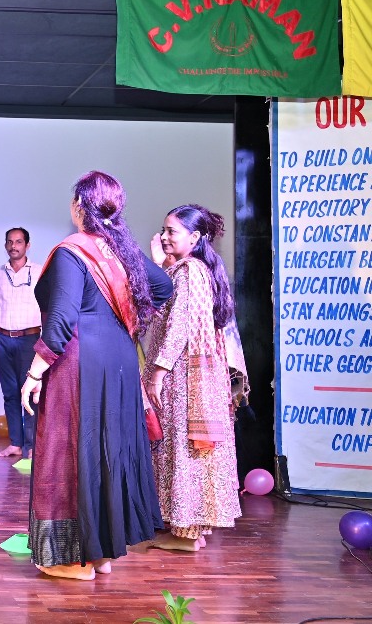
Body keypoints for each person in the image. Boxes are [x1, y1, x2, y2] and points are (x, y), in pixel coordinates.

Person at [19, 171, 174, 580]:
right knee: (108, 450)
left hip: (79, 363)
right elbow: (162, 286)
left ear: (78, 207)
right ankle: (103, 554)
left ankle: (72, 559)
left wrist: (34, 372)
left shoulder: (72, 252)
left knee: (70, 450)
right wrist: (127, 317)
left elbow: (61, 319)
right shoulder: (121, 250)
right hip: (120, 360)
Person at [144, 204, 244, 551]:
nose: (164, 237)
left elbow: (178, 326)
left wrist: (158, 372)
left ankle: (185, 533)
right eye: (163, 229)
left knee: (182, 446)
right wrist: (161, 266)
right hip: (186, 373)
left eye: (172, 231)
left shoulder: (189, 271)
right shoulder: (189, 269)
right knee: (182, 446)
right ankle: (189, 529)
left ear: (195, 237)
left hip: (181, 376)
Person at [0, 227, 43, 458]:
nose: (14, 246)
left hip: (30, 340)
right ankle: (15, 443)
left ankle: (32, 446)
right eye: (10, 242)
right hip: (3, 339)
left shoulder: (39, 271)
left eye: (19, 242)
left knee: (30, 392)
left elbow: (51, 302)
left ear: (27, 245)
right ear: (6, 245)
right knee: (10, 393)